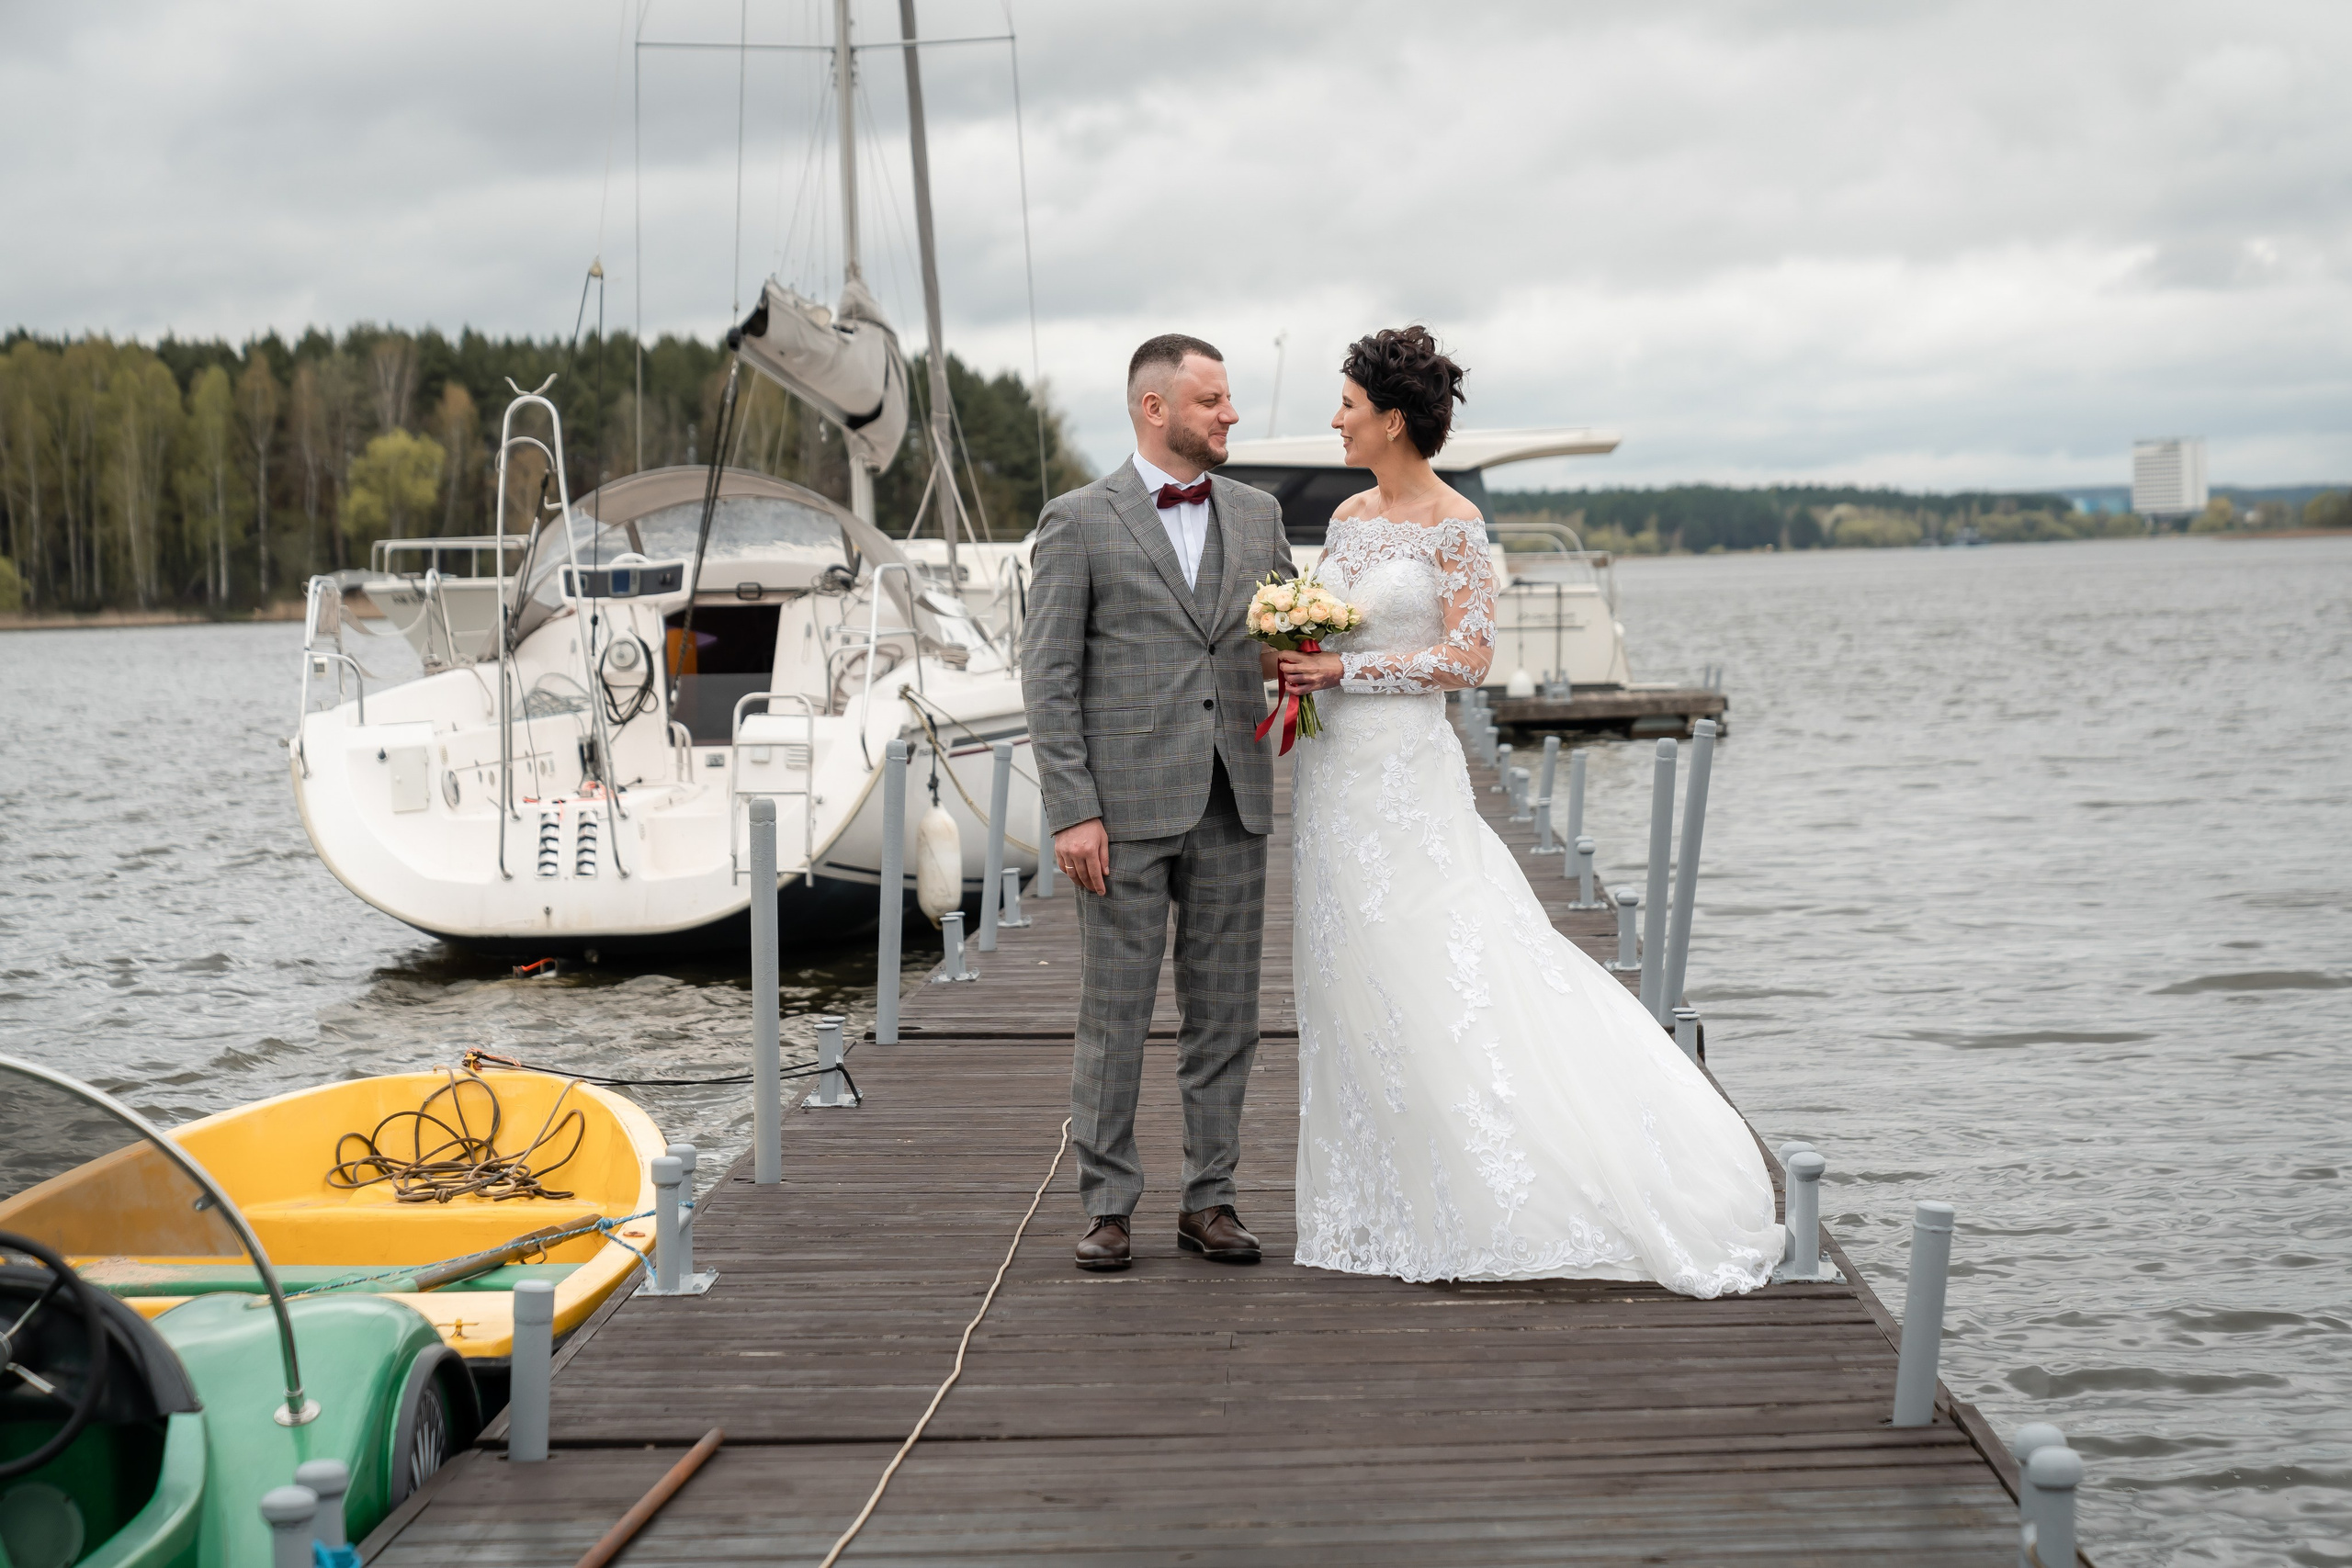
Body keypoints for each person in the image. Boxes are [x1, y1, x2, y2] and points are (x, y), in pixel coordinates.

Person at [1270, 326, 1781, 1295]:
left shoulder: (1457, 524)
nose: (1333, 420)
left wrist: (1348, 666)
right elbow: (1323, 620)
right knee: (1351, 973)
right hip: (1333, 777)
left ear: (1390, 418)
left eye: (1344, 405)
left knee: (1430, 963)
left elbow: (1468, 660)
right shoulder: (1344, 519)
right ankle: (1373, 1199)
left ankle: (1482, 1190)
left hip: (1405, 773)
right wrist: (1296, 658)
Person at [1020, 333, 1297, 1273]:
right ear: (1155, 409)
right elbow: (1048, 677)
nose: (1229, 415)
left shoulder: (1259, 516)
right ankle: (1106, 1205)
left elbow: (1273, 640)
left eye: (1226, 399)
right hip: (1122, 808)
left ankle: (1210, 1200)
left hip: (1234, 796)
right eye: (1212, 401)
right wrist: (1071, 809)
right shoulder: (1078, 520)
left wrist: (1307, 659)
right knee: (1115, 1014)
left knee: (1227, 1014)